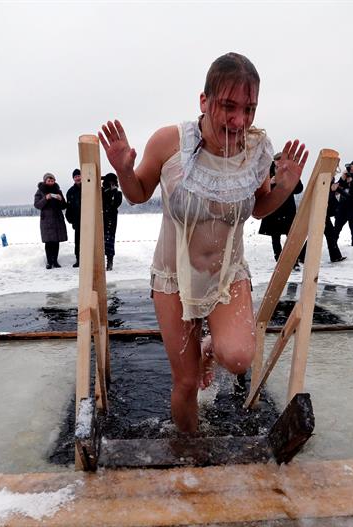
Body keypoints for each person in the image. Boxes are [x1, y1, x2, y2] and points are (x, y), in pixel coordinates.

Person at [97, 52, 308, 433]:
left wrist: (285, 188)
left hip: (227, 274)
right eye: (228, 106)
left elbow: (260, 208)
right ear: (204, 101)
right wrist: (124, 170)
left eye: (249, 109)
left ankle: (211, 347)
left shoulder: (257, 150)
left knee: (240, 358)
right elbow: (139, 192)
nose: (239, 120)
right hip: (173, 277)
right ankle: (190, 450)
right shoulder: (169, 142)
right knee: (187, 383)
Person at [258, 153, 306, 269]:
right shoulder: (266, 172)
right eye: (277, 161)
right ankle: (279, 259)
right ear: (274, 161)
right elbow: (259, 188)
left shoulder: (289, 172)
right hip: (272, 208)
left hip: (287, 209)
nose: (280, 163)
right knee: (275, 236)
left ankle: (293, 260)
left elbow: (299, 189)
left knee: (291, 236)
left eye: (282, 160)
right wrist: (270, 183)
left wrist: (292, 180)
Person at [34, 173, 68, 269]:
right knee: (49, 242)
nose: (50, 182)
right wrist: (45, 198)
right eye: (49, 181)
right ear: (45, 181)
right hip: (47, 220)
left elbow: (64, 206)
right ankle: (49, 262)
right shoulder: (40, 191)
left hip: (57, 219)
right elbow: (37, 205)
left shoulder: (58, 191)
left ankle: (55, 261)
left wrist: (60, 199)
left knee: (56, 241)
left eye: (52, 180)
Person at [101, 172, 123, 271]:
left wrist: (113, 192)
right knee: (101, 240)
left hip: (111, 219)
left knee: (110, 240)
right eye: (109, 182)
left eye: (113, 182)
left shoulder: (118, 193)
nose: (111, 184)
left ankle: (110, 261)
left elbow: (115, 204)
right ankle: (100, 261)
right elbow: (103, 202)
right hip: (101, 218)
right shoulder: (101, 192)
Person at [325, 175, 347, 262]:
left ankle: (336, 256)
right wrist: (331, 190)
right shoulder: (323, 182)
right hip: (321, 212)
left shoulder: (331, 183)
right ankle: (335, 256)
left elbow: (345, 194)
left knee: (330, 235)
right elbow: (323, 197)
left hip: (325, 213)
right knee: (329, 234)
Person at [65, 168, 82, 267]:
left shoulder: (88, 187)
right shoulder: (70, 192)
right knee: (78, 242)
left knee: (90, 240)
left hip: (89, 220)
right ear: (73, 179)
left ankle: (90, 258)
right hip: (77, 221)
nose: (77, 178)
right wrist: (70, 219)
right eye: (75, 177)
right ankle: (78, 259)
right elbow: (69, 208)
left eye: (79, 176)